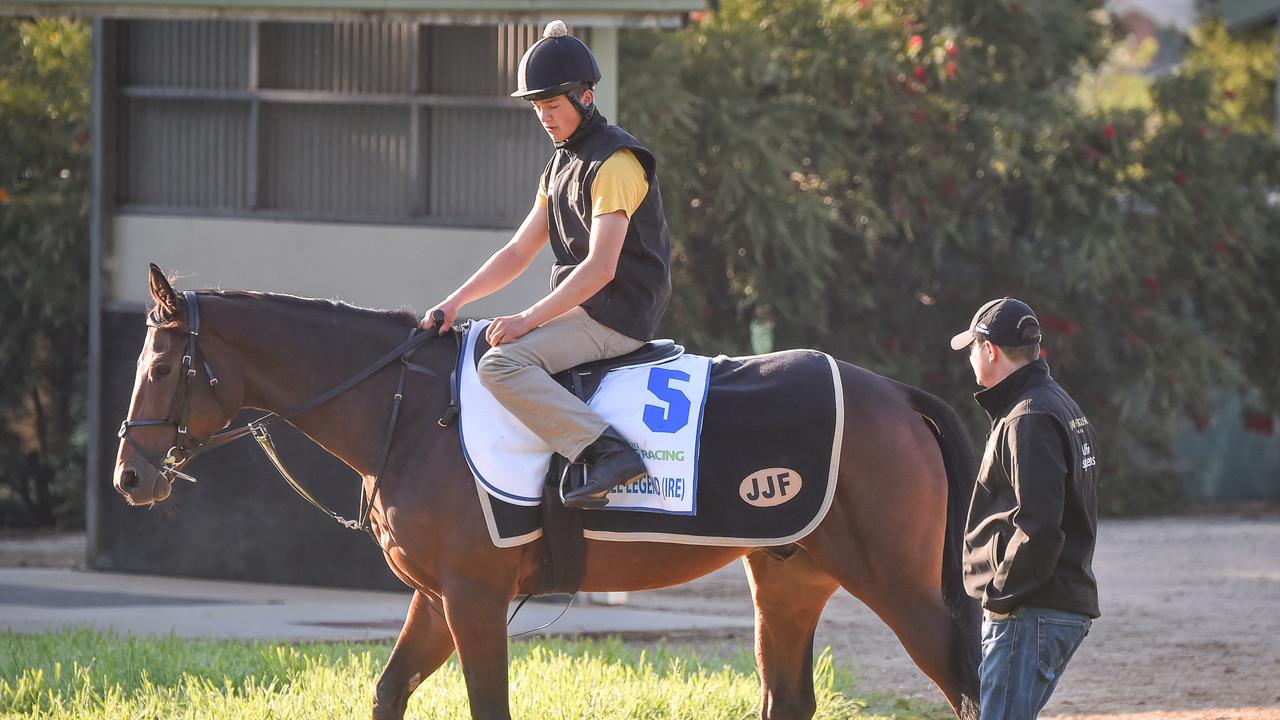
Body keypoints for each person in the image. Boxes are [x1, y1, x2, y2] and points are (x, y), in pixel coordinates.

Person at [420, 20, 672, 509]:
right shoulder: (559, 165)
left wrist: (526, 320)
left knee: (501, 365)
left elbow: (600, 268)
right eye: (537, 108)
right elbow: (517, 252)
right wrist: (455, 301)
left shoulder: (616, 162)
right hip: (584, 310)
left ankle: (607, 453)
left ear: (585, 97)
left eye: (552, 106)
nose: (544, 118)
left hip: (617, 316)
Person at [948, 298, 1100, 720]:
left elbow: (1039, 528)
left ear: (990, 350)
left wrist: (999, 597)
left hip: (1028, 610)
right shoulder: (1057, 404)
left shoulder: (1026, 417)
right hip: (1050, 605)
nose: (971, 360)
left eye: (972, 349)